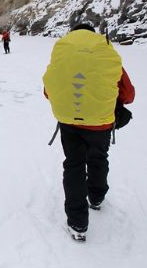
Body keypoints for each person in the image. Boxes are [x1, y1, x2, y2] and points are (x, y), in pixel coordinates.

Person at [42, 23, 135, 241]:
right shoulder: (105, 54)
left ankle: (77, 224)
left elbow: (48, 91)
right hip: (100, 123)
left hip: (69, 122)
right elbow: (128, 95)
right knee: (98, 158)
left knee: (74, 165)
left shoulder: (63, 56)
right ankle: (96, 197)